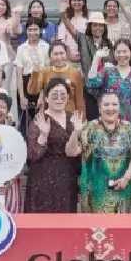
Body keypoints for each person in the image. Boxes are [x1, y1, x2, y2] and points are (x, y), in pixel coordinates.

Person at [76, 91, 131, 213]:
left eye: (114, 104)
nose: (110, 108)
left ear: (119, 107)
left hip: (123, 188)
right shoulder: (90, 128)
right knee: (97, 230)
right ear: (99, 108)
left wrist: (126, 178)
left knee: (122, 229)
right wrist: (75, 133)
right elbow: (75, 151)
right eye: (106, 105)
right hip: (96, 192)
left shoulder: (127, 128)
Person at [24, 79, 84, 214]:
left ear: (68, 97)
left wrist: (77, 132)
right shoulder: (39, 120)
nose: (59, 98)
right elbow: (32, 155)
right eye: (54, 94)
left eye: (63, 94)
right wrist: (43, 135)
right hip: (43, 177)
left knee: (66, 220)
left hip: (67, 175)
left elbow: (78, 150)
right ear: (46, 98)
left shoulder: (73, 118)